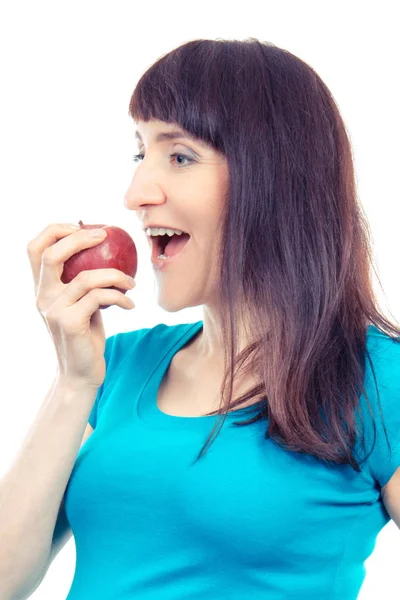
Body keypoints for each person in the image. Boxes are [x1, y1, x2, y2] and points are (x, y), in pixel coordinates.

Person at [1, 37, 400, 600]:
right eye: (141, 153)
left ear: (274, 179)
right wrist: (73, 382)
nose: (136, 193)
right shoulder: (122, 364)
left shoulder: (378, 378)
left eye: (180, 156)